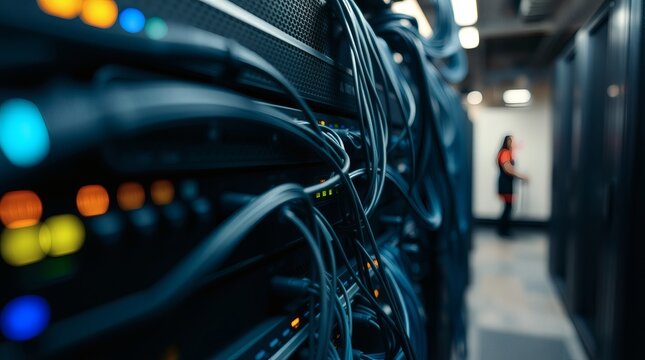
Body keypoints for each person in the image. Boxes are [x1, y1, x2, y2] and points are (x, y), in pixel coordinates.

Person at [497, 135, 528, 237]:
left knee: (508, 207)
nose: (513, 143)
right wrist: (521, 176)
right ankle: (503, 231)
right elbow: (508, 169)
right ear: (506, 141)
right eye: (511, 140)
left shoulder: (508, 153)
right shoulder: (505, 153)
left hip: (507, 183)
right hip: (505, 184)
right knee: (508, 207)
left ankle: (504, 230)